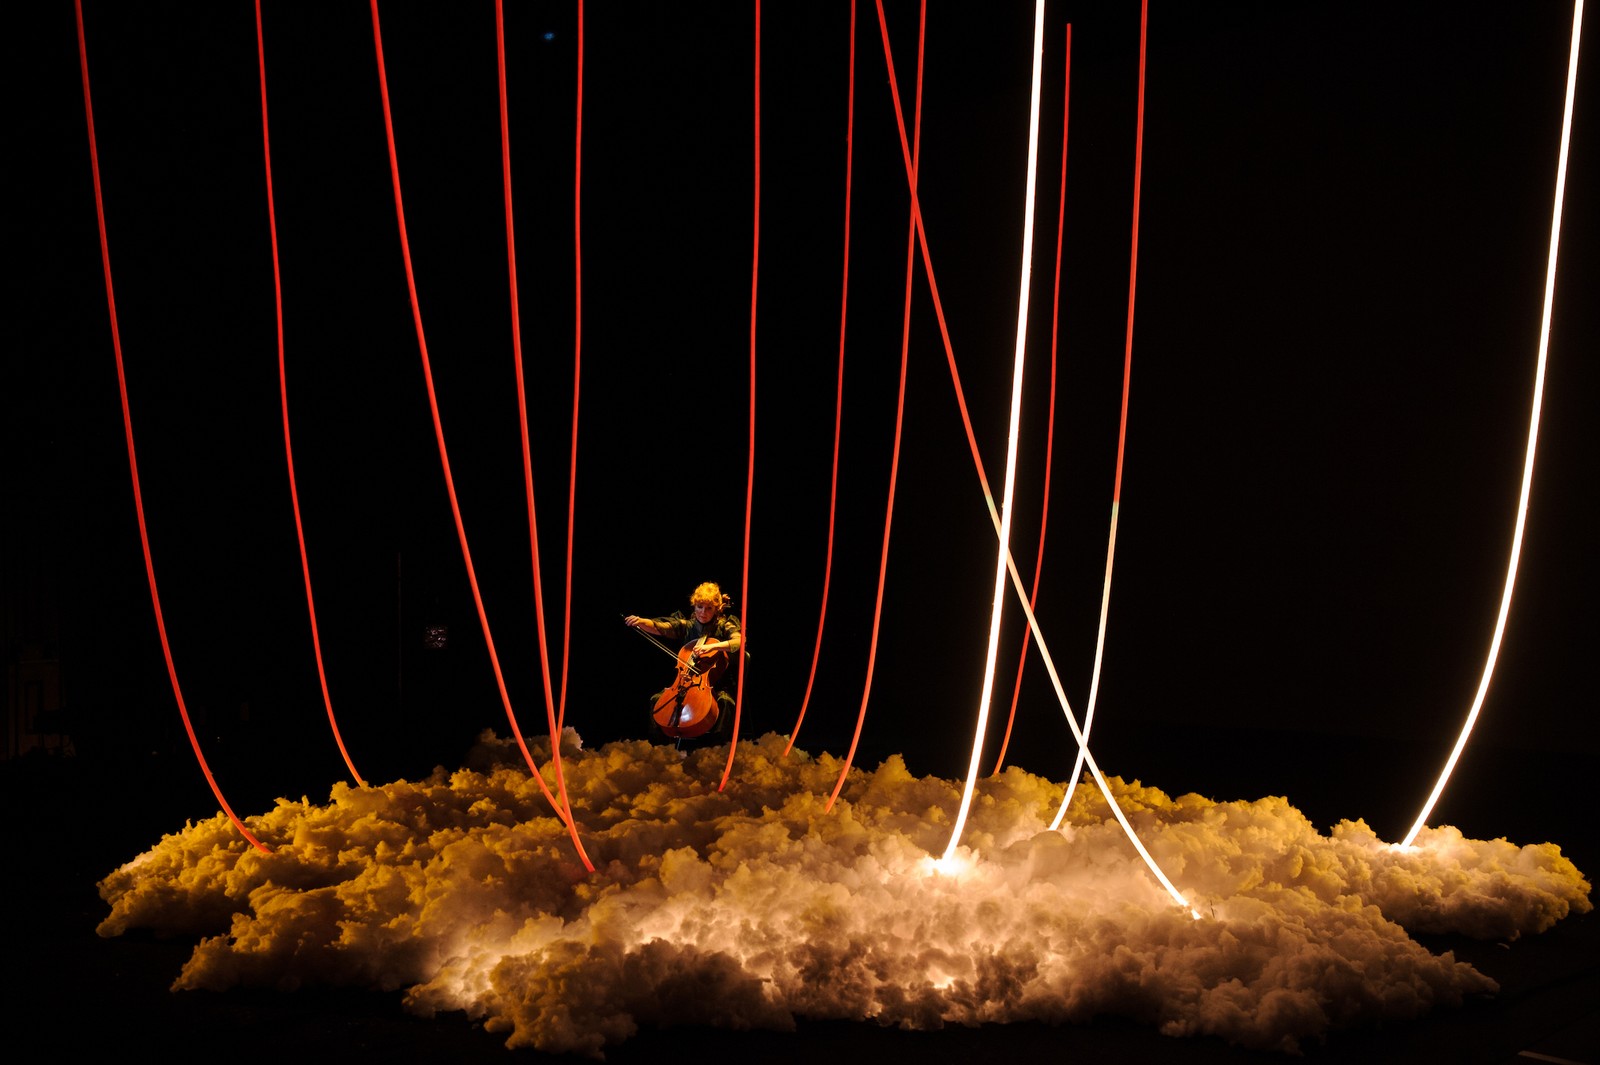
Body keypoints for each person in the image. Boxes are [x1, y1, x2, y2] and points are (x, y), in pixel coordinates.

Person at [624, 582, 742, 743]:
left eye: (709, 608)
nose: (703, 612)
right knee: (656, 700)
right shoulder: (687, 626)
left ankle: (715, 747)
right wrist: (641, 621)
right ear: (694, 606)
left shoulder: (725, 625)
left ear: (717, 609)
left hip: (719, 685)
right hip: (685, 683)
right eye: (700, 607)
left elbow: (739, 641)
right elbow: (661, 627)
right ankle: (661, 747)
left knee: (725, 703)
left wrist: (713, 646)